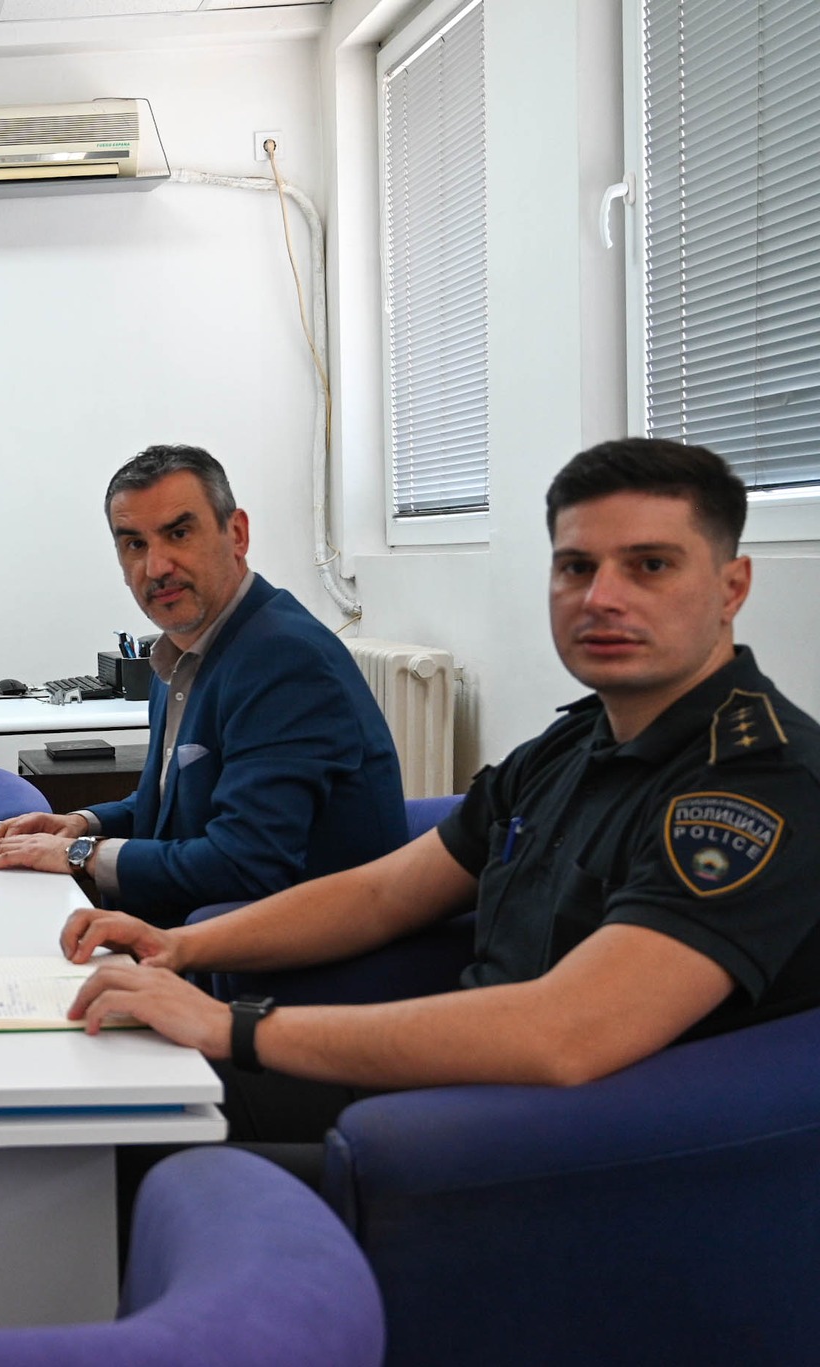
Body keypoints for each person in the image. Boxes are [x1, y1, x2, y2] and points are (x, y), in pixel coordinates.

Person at [62, 440, 820, 1150]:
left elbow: (564, 1032)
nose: (602, 598)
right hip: (459, 1069)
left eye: (650, 565)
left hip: (556, 1146)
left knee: (135, 1135)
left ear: (732, 587)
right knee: (117, 1086)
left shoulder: (757, 785)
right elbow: (383, 894)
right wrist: (179, 945)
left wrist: (233, 1027)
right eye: (576, 567)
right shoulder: (571, 746)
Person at [0, 445, 406, 927]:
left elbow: (247, 862)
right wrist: (82, 823)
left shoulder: (285, 660)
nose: (156, 566)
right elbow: (173, 802)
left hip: (293, 954)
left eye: (179, 533)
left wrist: (81, 854)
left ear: (237, 534)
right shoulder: (181, 652)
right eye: (135, 544)